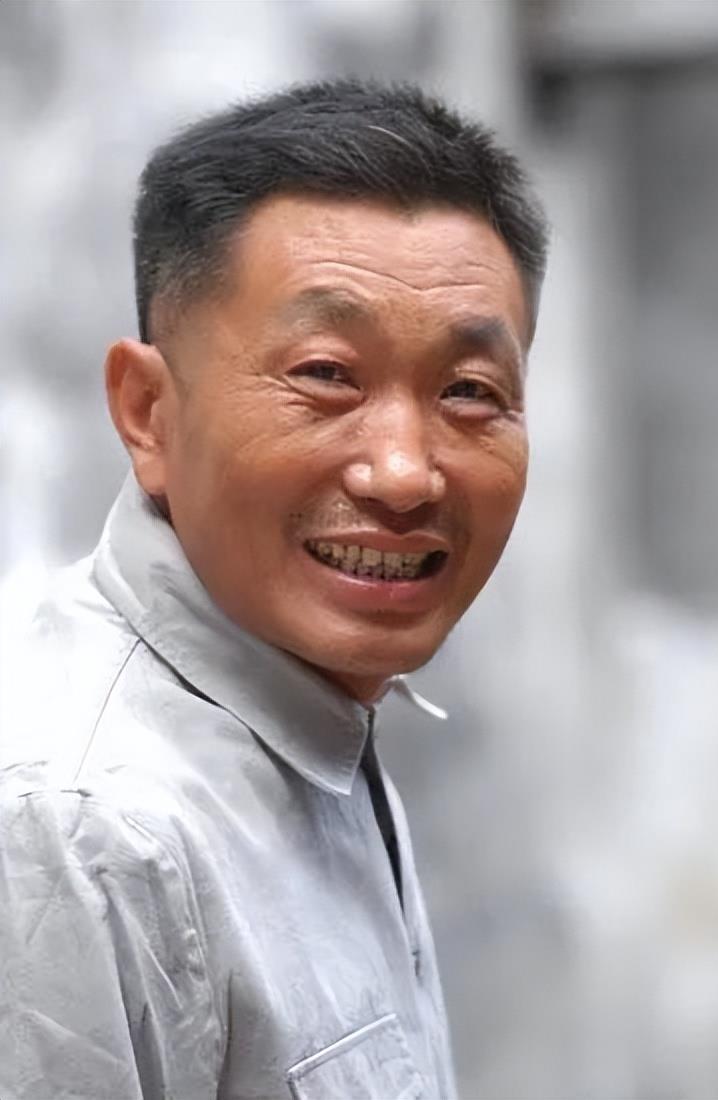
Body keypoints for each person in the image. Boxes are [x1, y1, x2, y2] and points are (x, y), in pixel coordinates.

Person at [0, 79, 548, 1100]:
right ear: (147, 411)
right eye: (327, 375)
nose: (403, 473)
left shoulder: (316, 711)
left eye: (469, 392)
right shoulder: (78, 829)